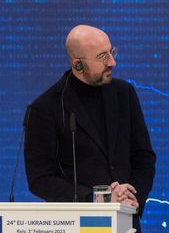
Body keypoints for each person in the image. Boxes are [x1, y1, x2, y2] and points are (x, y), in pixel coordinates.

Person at [25, 25, 156, 230]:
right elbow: (40, 179)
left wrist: (132, 199)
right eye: (102, 56)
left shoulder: (124, 93)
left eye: (112, 52)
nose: (112, 62)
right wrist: (99, 200)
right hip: (77, 224)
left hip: (125, 223)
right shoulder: (45, 108)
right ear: (78, 65)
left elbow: (144, 156)